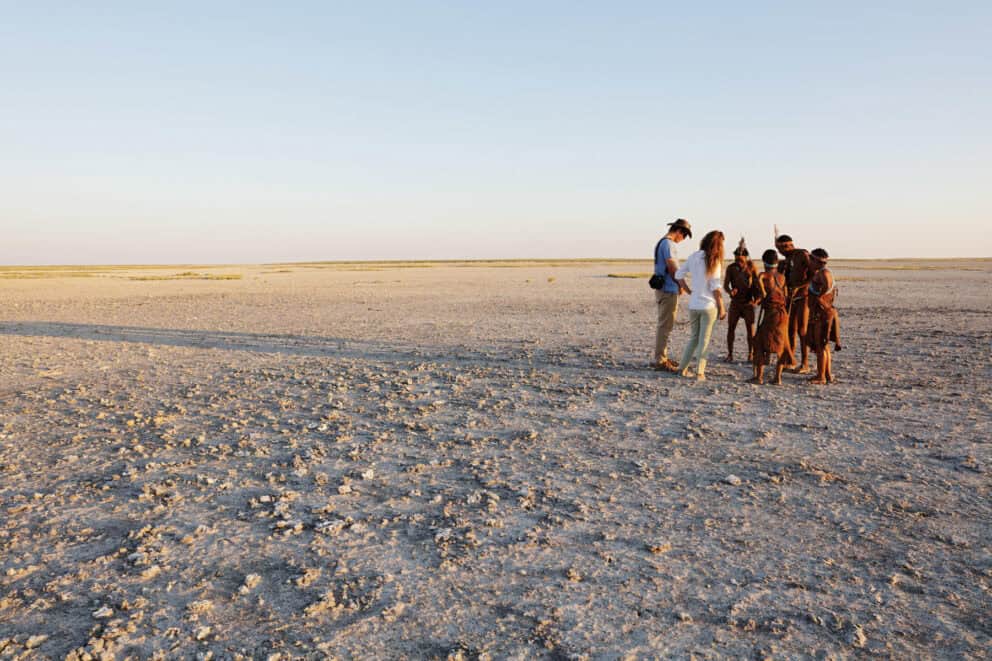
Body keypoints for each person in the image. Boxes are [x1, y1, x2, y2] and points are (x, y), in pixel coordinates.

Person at [674, 230, 726, 381]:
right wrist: (722, 307)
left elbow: (678, 275)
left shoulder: (693, 256)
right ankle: (700, 372)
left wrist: (687, 289)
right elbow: (715, 287)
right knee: (704, 340)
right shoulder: (715, 261)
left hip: (694, 305)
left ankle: (682, 368)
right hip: (709, 306)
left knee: (694, 338)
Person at [650, 219, 692, 372]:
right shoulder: (669, 244)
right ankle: (660, 360)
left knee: (664, 324)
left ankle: (662, 357)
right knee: (665, 325)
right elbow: (673, 268)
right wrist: (683, 286)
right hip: (668, 290)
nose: (683, 240)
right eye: (684, 236)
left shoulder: (662, 242)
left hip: (665, 289)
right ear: (680, 231)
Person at [750, 249, 796, 385]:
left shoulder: (763, 276)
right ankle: (778, 378)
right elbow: (786, 295)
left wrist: (761, 288)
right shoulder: (782, 277)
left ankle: (759, 377)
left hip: (772, 314)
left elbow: (763, 294)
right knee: (782, 344)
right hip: (783, 314)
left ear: (764, 262)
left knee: (759, 342)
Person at [775, 234, 815, 374]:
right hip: (791, 298)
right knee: (790, 330)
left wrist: (800, 286)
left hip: (803, 296)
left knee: (802, 330)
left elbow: (813, 274)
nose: (781, 251)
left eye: (783, 247)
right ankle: (790, 360)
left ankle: (805, 363)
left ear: (789, 245)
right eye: (779, 248)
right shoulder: (786, 260)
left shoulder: (802, 255)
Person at [806, 248, 842, 384]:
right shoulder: (823, 272)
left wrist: (819, 298)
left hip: (822, 313)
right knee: (824, 346)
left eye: (811, 259)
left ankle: (821, 376)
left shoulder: (824, 273)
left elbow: (827, 286)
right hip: (823, 312)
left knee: (821, 346)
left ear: (816, 260)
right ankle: (826, 374)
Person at [723, 238, 759, 363]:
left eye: (740, 258)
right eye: (736, 257)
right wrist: (730, 291)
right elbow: (726, 285)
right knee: (731, 328)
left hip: (748, 303)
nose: (738, 260)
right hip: (736, 303)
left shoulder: (752, 267)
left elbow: (757, 285)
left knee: (751, 329)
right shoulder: (731, 268)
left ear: (746, 257)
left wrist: (757, 300)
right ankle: (730, 354)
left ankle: (751, 354)